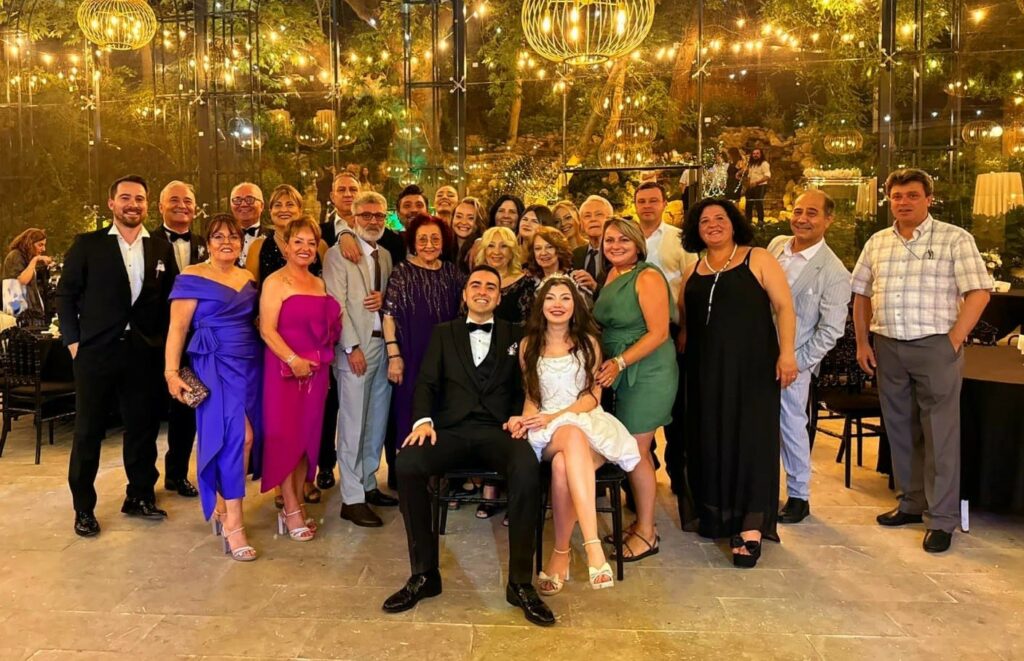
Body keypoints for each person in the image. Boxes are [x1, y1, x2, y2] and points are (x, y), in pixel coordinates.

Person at [381, 265, 554, 627]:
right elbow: (426, 383)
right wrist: (423, 422)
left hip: (499, 430)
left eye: (491, 286)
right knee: (408, 464)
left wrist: (520, 417)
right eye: (476, 285)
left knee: (527, 467)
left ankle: (520, 583)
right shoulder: (443, 333)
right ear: (465, 294)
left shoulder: (517, 335)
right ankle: (424, 575)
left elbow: (527, 385)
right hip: (451, 431)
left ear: (499, 296)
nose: (482, 291)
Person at [852, 168, 991, 554]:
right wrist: (862, 342)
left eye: (912, 195)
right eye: (897, 196)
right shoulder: (878, 242)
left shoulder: (954, 238)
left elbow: (979, 292)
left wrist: (954, 339)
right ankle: (911, 502)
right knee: (899, 429)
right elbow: (861, 294)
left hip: (936, 346)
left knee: (940, 433)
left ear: (929, 199)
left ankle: (942, 518)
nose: (903, 202)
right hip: (888, 346)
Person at [57, 174, 179, 537]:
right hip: (96, 353)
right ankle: (83, 508)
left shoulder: (160, 248)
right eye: (125, 197)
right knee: (88, 431)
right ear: (111, 203)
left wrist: (164, 346)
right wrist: (74, 341)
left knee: (142, 429)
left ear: (147, 204)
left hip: (143, 354)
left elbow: (171, 300)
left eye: (139, 199)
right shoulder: (87, 245)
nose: (133, 204)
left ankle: (139, 495)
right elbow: (65, 296)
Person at [679, 198, 797, 568]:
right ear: (696, 230)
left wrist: (787, 353)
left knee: (751, 441)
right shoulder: (693, 269)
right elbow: (686, 325)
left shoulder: (757, 258)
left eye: (720, 218)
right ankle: (717, 514)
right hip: (705, 371)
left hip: (752, 369)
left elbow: (784, 307)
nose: (712, 225)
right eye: (704, 221)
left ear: (734, 223)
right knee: (711, 439)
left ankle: (750, 526)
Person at [512, 275, 640, 595]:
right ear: (541, 305)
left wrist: (558, 416)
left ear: (575, 305)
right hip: (548, 430)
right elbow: (532, 397)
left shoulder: (588, 343)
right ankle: (593, 546)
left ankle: (561, 553)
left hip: (587, 420)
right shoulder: (528, 345)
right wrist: (526, 420)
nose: (557, 304)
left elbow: (592, 397)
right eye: (550, 298)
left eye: (565, 298)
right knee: (568, 435)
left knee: (561, 465)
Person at [165, 213, 261, 561]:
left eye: (233, 237)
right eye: (218, 236)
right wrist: (171, 372)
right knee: (239, 438)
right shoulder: (192, 276)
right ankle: (235, 523)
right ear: (207, 243)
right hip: (213, 364)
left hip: (249, 363)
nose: (227, 242)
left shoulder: (247, 277)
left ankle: (222, 503)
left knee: (242, 439)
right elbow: (177, 328)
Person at [592, 218, 677, 563]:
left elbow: (659, 333)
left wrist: (620, 362)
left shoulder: (647, 276)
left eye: (623, 240)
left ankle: (647, 532)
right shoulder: (612, 274)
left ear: (638, 244)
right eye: (609, 240)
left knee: (637, 450)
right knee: (627, 446)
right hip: (617, 367)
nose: (615, 246)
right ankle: (640, 523)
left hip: (647, 370)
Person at [767, 190, 852, 524]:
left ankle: (798, 496)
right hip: (757, 354)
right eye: (798, 211)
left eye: (812, 213)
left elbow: (830, 331)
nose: (802, 219)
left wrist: (796, 363)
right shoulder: (777, 246)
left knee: (791, 426)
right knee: (758, 425)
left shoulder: (834, 272)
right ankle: (761, 488)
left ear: (828, 219)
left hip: (793, 363)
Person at [259, 216, 341, 542]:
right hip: (284, 371)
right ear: (286, 246)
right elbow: (267, 330)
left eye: (311, 243)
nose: (305, 248)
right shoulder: (275, 282)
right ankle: (291, 507)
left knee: (307, 438)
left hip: (316, 373)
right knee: (285, 438)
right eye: (298, 242)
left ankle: (296, 503)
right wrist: (293, 360)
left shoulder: (319, 283)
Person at [324, 191, 397, 528]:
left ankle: (368, 483)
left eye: (379, 215)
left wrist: (384, 299)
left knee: (376, 421)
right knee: (353, 424)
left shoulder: (385, 255)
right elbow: (335, 305)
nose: (373, 221)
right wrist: (350, 347)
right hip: (355, 348)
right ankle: (351, 499)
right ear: (353, 218)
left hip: (383, 346)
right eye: (366, 215)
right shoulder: (338, 254)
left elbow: (388, 301)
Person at [383, 214, 464, 449]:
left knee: (443, 412)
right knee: (408, 411)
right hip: (410, 355)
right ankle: (408, 466)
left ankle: (438, 469)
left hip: (446, 358)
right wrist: (394, 356)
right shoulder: (402, 272)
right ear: (413, 242)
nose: (429, 245)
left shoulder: (452, 273)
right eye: (422, 239)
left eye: (435, 239)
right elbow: (388, 317)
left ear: (444, 242)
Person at [151, 180, 207, 499]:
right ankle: (141, 485)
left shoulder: (204, 243)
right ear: (160, 206)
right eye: (174, 199)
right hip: (153, 342)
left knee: (186, 411)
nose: (181, 205)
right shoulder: (146, 242)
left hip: (194, 345)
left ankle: (177, 474)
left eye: (187, 200)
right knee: (147, 415)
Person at [246, 184, 328, 283]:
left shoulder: (320, 246)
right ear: (271, 211)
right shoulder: (257, 247)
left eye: (290, 205)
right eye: (278, 205)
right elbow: (251, 289)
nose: (283, 210)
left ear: (300, 210)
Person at [477, 226, 534, 327]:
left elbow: (527, 324)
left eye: (503, 246)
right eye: (491, 245)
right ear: (484, 251)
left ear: (512, 252)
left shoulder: (525, 283)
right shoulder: (473, 281)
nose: (496, 252)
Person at [3, 228, 51, 317]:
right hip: (21, 312)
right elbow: (23, 280)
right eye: (40, 245)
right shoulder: (15, 255)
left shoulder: (24, 258)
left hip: (26, 312)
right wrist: (35, 259)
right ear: (29, 243)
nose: (43, 249)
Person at [570, 195, 613, 294]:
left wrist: (595, 286)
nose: (593, 219)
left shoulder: (616, 252)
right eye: (587, 216)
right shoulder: (575, 255)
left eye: (599, 214)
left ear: (610, 220)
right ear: (581, 223)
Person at [229, 182, 266, 266]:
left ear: (262, 206)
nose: (243, 204)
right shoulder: (220, 239)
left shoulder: (274, 238)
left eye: (250, 199)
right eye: (237, 200)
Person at [321, 170, 360, 249]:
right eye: (341, 190)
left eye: (353, 189)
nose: (347, 194)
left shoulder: (376, 231)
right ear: (332, 197)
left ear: (361, 195)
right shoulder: (319, 234)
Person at [451, 197, 487, 273]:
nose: (463, 222)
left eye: (470, 218)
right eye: (458, 216)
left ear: (478, 222)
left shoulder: (482, 250)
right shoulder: (444, 246)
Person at [745, 148, 771, 225]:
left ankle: (760, 221)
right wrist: (748, 185)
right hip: (751, 186)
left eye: (757, 153)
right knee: (748, 203)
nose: (755, 155)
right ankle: (748, 221)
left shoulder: (764, 164)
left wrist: (757, 183)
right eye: (754, 154)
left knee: (758, 203)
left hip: (760, 186)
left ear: (761, 154)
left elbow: (767, 176)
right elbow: (749, 176)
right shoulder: (751, 164)